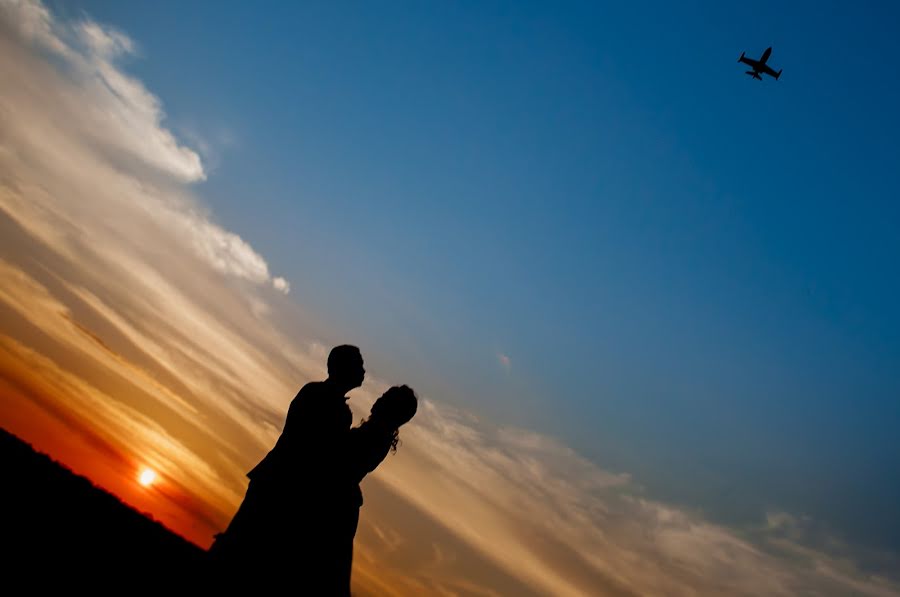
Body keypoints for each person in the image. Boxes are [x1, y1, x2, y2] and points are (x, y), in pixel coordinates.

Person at [207, 344, 365, 591]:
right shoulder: (319, 397)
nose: (364, 371)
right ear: (344, 368)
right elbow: (313, 449)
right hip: (279, 484)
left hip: (283, 486)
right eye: (359, 365)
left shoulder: (331, 404)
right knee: (241, 547)